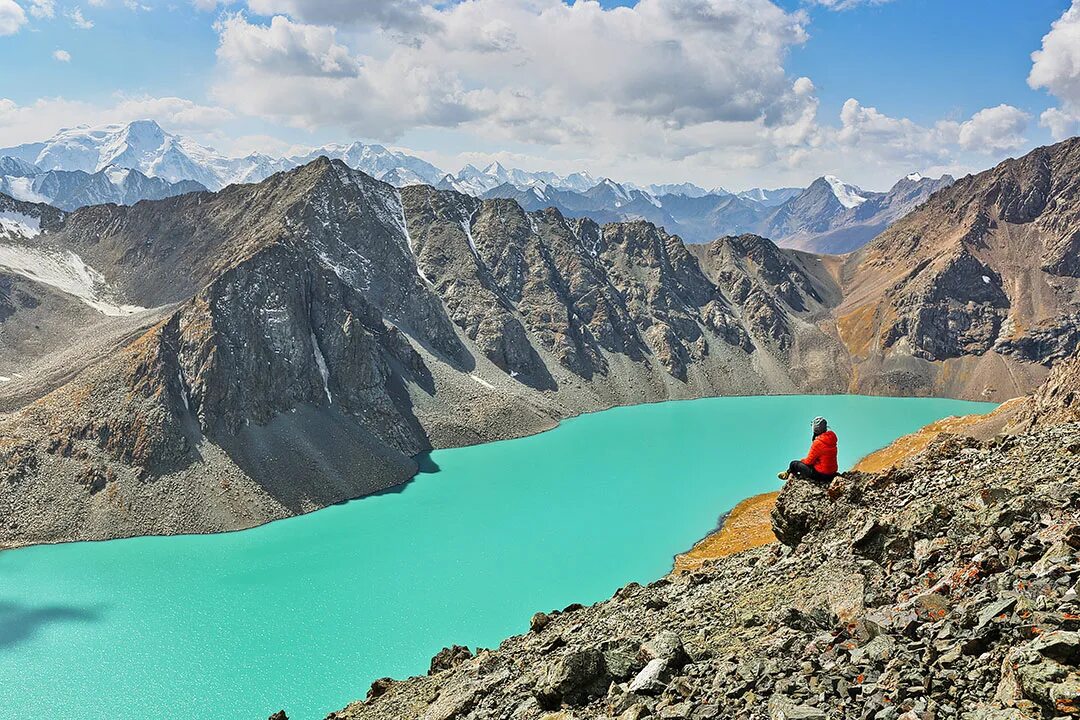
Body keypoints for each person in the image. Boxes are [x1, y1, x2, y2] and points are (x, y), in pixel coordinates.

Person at [778, 416, 838, 483]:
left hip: (822, 475)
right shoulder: (832, 438)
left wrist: (801, 461)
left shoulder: (818, 443)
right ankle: (788, 473)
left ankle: (787, 474)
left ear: (815, 429)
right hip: (832, 472)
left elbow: (809, 461)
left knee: (793, 464)